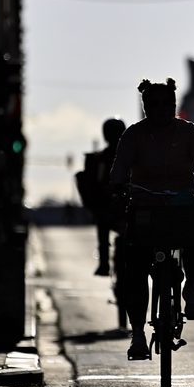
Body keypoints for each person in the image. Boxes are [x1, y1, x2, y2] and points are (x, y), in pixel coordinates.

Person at [110, 78, 194, 360]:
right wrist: (116, 187)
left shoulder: (189, 132)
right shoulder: (133, 136)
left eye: (167, 104)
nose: (161, 109)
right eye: (154, 104)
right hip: (144, 207)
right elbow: (120, 169)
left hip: (181, 204)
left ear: (174, 106)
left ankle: (192, 286)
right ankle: (138, 335)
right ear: (145, 106)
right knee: (134, 269)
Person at [75, 118, 126, 276]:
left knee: (103, 225)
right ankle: (104, 262)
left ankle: (104, 263)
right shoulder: (102, 159)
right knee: (103, 223)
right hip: (112, 205)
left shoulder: (101, 158)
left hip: (123, 205)